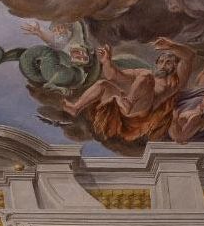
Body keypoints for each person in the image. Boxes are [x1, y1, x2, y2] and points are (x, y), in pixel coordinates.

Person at [61, 38, 191, 146]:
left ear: (175, 66)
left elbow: (189, 56)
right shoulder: (143, 74)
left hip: (141, 112)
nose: (163, 65)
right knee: (103, 84)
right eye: (161, 62)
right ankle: (76, 107)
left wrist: (173, 46)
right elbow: (114, 76)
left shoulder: (175, 83)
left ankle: (128, 103)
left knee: (146, 77)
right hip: (124, 106)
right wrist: (107, 62)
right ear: (156, 64)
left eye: (168, 63)